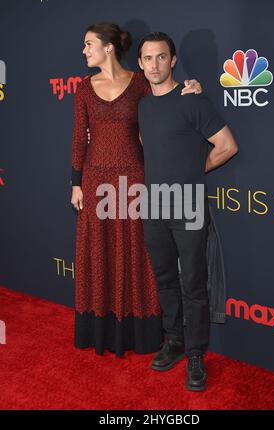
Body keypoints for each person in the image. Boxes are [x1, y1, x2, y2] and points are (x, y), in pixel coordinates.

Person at [70, 22, 202, 358]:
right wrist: (75, 183)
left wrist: (191, 88)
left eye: (89, 44)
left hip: (135, 180)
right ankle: (101, 329)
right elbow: (77, 139)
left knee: (139, 257)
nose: (84, 51)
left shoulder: (142, 81)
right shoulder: (84, 88)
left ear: (109, 47)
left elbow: (167, 99)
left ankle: (142, 332)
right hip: (96, 182)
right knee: (100, 256)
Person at [138, 32, 238, 390]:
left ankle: (196, 354)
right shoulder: (143, 106)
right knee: (165, 280)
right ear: (140, 64)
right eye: (147, 58)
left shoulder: (193, 100)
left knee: (194, 284)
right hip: (152, 206)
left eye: (161, 57)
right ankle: (174, 342)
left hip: (188, 206)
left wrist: (194, 172)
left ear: (173, 60)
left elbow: (227, 145)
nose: (154, 64)